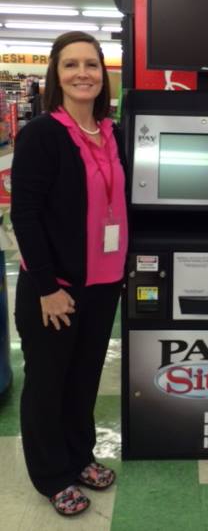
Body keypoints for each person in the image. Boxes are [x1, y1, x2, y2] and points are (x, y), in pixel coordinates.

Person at [11, 31, 128, 516]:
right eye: (70, 65)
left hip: (103, 284)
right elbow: (25, 215)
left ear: (104, 75)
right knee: (48, 381)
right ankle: (52, 474)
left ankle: (80, 456)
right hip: (55, 287)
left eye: (92, 65)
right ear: (55, 77)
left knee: (83, 379)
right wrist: (46, 287)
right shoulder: (42, 134)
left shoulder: (112, 132)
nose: (83, 73)